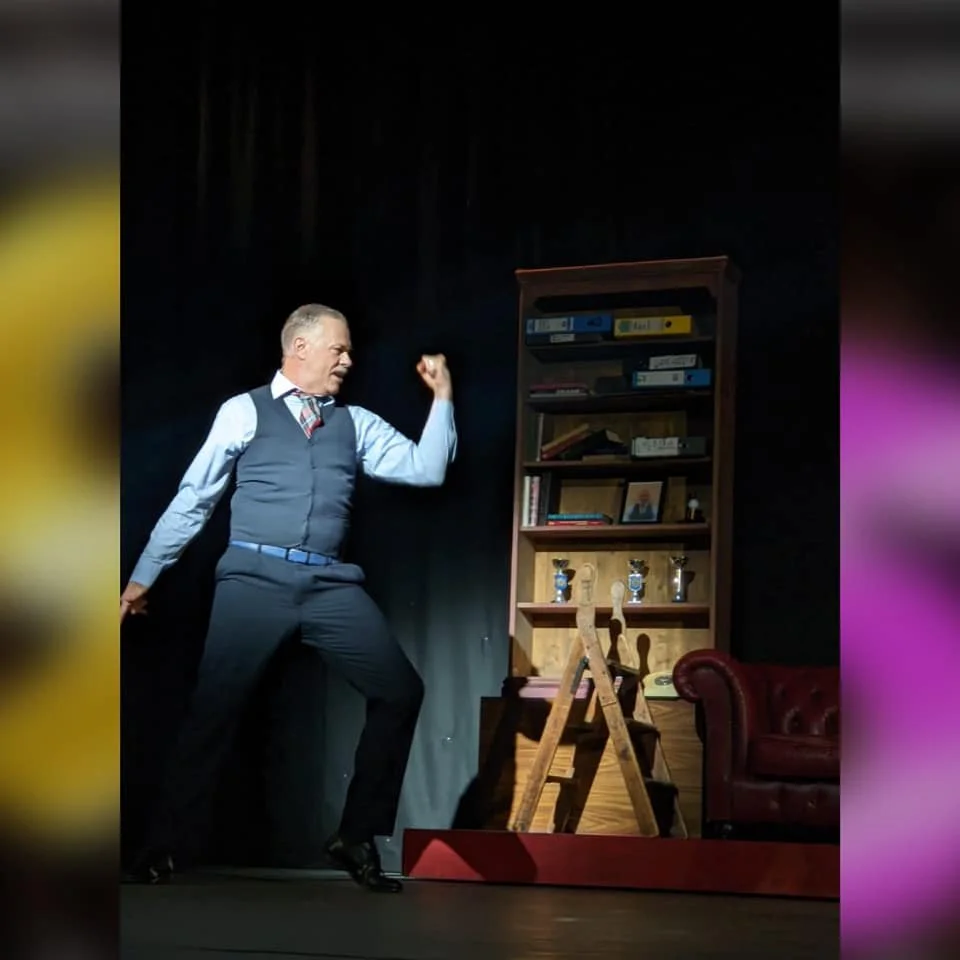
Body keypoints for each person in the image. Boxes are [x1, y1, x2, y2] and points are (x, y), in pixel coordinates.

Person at [121, 303, 456, 893]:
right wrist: (145, 577)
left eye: (349, 351)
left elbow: (426, 470)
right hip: (254, 578)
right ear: (300, 347)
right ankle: (161, 845)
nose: (349, 361)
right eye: (340, 349)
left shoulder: (355, 423)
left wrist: (443, 398)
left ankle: (354, 836)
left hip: (329, 584)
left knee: (400, 690)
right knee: (213, 711)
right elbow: (194, 498)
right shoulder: (243, 412)